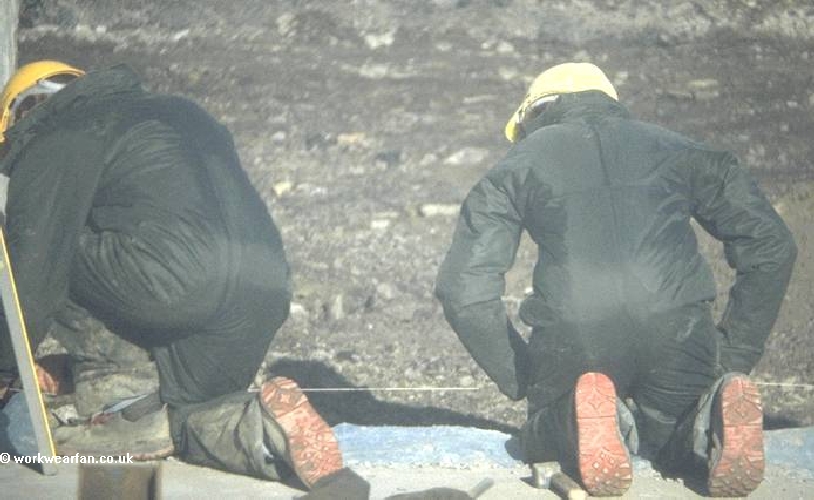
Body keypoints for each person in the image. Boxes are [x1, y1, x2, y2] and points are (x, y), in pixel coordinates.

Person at [0, 60, 368, 498]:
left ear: (25, 112)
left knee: (41, 242)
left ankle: (114, 392)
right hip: (263, 290)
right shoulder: (182, 112)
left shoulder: (59, 133)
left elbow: (30, 270)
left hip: (171, 281)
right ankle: (264, 430)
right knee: (188, 416)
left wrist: (4, 367)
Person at [436, 62, 796, 497]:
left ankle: (578, 418)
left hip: (573, 338)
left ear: (532, 115)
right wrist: (734, 353)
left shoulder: (514, 167)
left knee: (543, 431)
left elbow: (463, 289)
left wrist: (519, 375)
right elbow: (772, 244)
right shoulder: (681, 149)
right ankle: (707, 417)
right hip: (679, 328)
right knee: (674, 425)